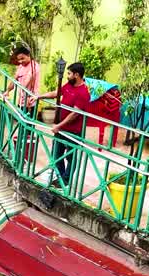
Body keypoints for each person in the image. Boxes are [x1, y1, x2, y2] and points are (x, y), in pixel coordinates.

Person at [40, 61, 91, 189]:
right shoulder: (69, 85)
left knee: (70, 156)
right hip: (62, 129)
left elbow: (74, 114)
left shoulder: (83, 92)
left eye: (69, 73)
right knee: (56, 154)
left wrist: (59, 126)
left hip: (73, 131)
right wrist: (39, 97)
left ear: (77, 75)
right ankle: (61, 178)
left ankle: (65, 180)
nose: (67, 76)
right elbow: (57, 92)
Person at [5, 45, 41, 115]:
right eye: (19, 59)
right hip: (21, 101)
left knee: (28, 124)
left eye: (22, 58)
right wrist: (8, 91)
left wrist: (27, 97)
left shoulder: (34, 66)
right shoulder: (21, 66)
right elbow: (14, 80)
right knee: (20, 122)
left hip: (30, 101)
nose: (20, 61)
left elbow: (28, 81)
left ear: (28, 55)